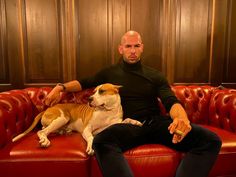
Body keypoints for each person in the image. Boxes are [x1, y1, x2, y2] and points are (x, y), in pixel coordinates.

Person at [45, 31, 222, 177]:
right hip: (128, 125)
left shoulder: (155, 75)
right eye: (128, 46)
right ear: (120, 49)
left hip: (156, 123)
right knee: (101, 141)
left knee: (210, 140)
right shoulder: (110, 73)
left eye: (136, 46)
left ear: (142, 48)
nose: (132, 50)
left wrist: (181, 118)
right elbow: (84, 82)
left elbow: (170, 101)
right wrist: (60, 87)